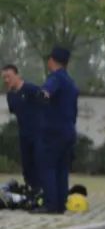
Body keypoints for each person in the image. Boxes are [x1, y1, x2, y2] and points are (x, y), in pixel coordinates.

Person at [36, 47, 79, 215]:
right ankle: (61, 204)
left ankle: (50, 205)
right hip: (68, 130)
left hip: (53, 132)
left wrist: (42, 95)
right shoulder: (70, 82)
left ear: (52, 60)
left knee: (48, 167)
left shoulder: (56, 78)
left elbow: (47, 91)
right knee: (62, 169)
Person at [2, 64, 42, 193]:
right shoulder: (10, 96)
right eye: (4, 78)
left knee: (39, 164)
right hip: (24, 135)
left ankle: (44, 192)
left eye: (9, 76)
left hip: (39, 134)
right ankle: (31, 190)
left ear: (17, 75)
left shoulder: (31, 89)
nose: (6, 80)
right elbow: (15, 112)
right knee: (27, 166)